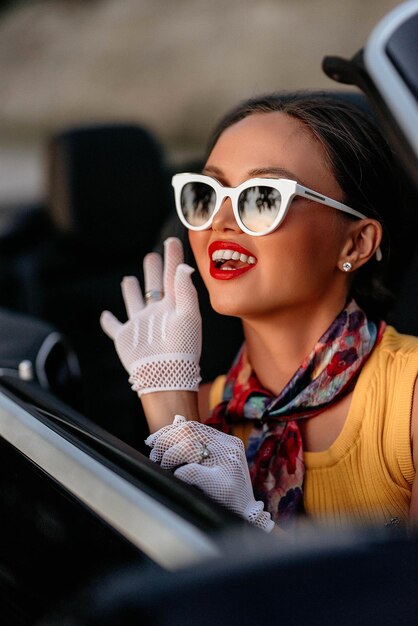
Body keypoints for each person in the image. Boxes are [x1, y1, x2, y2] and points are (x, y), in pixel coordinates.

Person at [101, 91, 418, 532]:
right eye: (206, 194)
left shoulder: (410, 402)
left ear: (355, 243)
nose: (220, 220)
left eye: (263, 196)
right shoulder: (200, 406)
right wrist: (171, 412)